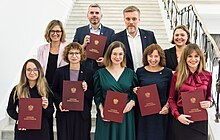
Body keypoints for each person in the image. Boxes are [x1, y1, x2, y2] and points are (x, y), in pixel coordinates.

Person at [93, 41, 138, 140]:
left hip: (125, 114)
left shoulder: (131, 73)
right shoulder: (99, 73)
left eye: (120, 54)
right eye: (115, 54)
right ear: (109, 54)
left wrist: (132, 101)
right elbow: (97, 96)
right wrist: (102, 110)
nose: (117, 57)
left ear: (124, 56)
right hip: (107, 113)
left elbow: (135, 92)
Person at [168, 43, 212, 140]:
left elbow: (209, 96)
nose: (193, 59)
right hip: (182, 117)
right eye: (190, 56)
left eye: (196, 56)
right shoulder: (177, 75)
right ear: (185, 58)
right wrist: (178, 116)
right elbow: (171, 99)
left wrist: (209, 102)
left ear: (200, 58)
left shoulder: (208, 75)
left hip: (200, 119)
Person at [52, 42, 94, 140]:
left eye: (77, 53)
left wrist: (86, 89)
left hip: (82, 115)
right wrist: (59, 103)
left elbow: (92, 93)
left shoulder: (89, 72)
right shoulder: (59, 72)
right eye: (71, 53)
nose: (74, 56)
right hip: (65, 113)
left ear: (81, 55)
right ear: (67, 55)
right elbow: (54, 91)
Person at [6, 59, 54, 140]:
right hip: (23, 130)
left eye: (35, 69)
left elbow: (50, 112)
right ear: (24, 72)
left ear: (39, 71)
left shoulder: (46, 90)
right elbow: (10, 109)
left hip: (41, 131)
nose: (32, 72)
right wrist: (20, 119)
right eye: (29, 69)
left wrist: (45, 107)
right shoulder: (17, 89)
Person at [133, 44, 173, 140]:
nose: (153, 59)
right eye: (150, 56)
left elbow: (171, 94)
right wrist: (135, 90)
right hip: (144, 115)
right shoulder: (139, 72)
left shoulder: (167, 72)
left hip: (161, 114)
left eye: (156, 56)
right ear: (146, 57)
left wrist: (167, 107)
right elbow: (135, 89)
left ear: (161, 57)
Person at [37, 19, 68, 140]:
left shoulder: (66, 47)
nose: (55, 33)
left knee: (62, 116)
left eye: (58, 31)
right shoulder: (42, 49)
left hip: (61, 88)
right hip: (45, 87)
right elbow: (39, 68)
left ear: (62, 32)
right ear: (48, 32)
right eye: (52, 31)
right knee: (46, 116)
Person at [111, 6, 157, 71]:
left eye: (134, 19)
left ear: (139, 20)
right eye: (128, 19)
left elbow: (156, 55)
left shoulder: (149, 36)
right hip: (126, 76)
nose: (131, 22)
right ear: (124, 20)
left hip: (146, 76)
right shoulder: (116, 38)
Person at [73, 3, 115, 72]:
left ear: (101, 16)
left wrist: (105, 60)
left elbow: (113, 51)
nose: (94, 15)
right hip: (83, 70)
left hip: (103, 70)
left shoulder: (110, 32)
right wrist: (83, 45)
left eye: (97, 13)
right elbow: (73, 51)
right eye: (91, 13)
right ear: (87, 15)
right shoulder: (80, 31)